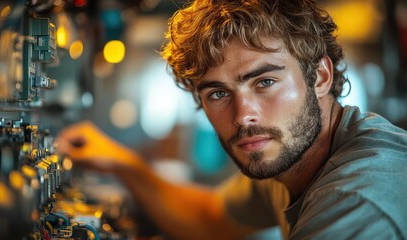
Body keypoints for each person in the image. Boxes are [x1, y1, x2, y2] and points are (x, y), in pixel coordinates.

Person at [56, 0, 407, 239]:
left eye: (264, 82)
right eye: (218, 94)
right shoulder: (288, 158)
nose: (243, 117)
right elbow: (212, 217)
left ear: (320, 77)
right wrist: (124, 164)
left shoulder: (358, 200)